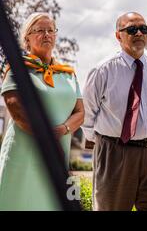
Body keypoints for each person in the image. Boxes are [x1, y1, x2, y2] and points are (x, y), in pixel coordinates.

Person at [82, 12, 147, 211]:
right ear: (118, 36)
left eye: (143, 29)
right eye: (131, 29)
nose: (139, 33)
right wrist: (107, 145)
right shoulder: (103, 71)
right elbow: (87, 115)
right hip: (115, 153)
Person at [0, 12, 84, 210]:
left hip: (57, 155)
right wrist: (45, 136)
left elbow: (80, 112)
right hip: (23, 153)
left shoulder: (68, 74)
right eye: (40, 31)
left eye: (50, 30)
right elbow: (15, 108)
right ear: (27, 38)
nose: (46, 34)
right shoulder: (18, 69)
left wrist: (62, 129)